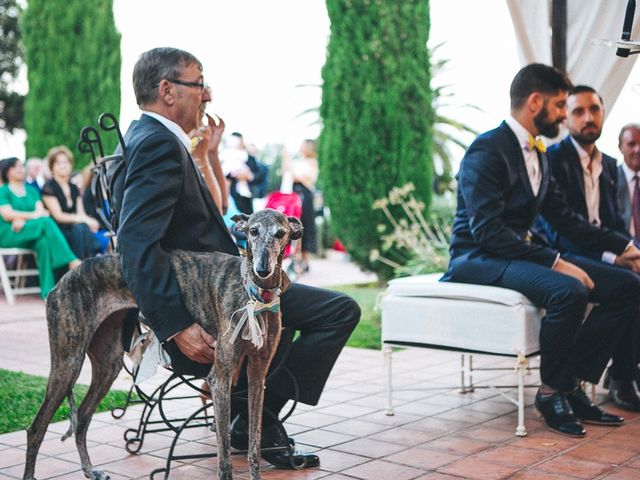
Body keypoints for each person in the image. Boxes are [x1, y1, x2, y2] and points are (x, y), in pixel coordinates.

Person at [114, 47, 360, 468]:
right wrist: (176, 326)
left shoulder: (157, 140)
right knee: (337, 312)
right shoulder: (157, 145)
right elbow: (136, 245)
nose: (208, 95)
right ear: (167, 90)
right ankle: (255, 417)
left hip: (235, 286)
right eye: (200, 83)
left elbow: (208, 215)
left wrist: (207, 153)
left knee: (329, 310)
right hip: (210, 306)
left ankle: (252, 414)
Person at [442, 63, 640, 437]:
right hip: (476, 259)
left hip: (512, 253)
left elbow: (564, 219)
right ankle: (551, 392)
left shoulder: (541, 154)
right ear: (536, 102)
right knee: (568, 289)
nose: (565, 114)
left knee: (627, 286)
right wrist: (555, 262)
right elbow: (486, 232)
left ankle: (570, 383)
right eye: (561, 105)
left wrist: (626, 247)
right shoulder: (487, 150)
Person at [536, 85, 640, 412]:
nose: (588, 117)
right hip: (561, 253)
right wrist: (618, 253)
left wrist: (629, 254)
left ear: (603, 113)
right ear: (565, 118)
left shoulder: (609, 165)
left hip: (598, 253)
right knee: (630, 286)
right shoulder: (552, 159)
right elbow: (562, 226)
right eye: (578, 111)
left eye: (594, 110)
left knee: (634, 277)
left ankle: (623, 375)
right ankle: (595, 376)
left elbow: (611, 221)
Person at [0, 157, 81, 298]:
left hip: (29, 230)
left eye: (21, 166)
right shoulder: (3, 191)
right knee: (46, 222)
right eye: (15, 167)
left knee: (43, 242)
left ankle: (48, 293)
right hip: (10, 233)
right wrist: (25, 217)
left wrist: (21, 218)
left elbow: (41, 212)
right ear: (6, 171)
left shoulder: (32, 191)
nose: (20, 169)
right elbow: (7, 215)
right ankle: (71, 261)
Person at [41, 146, 102, 260]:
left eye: (66, 162)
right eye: (59, 163)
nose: (63, 165)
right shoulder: (49, 187)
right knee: (81, 228)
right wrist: (83, 219)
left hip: (76, 228)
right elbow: (58, 216)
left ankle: (87, 264)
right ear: (52, 167)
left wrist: (88, 221)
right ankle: (87, 263)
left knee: (83, 228)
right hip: (58, 230)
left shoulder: (74, 188)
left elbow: (81, 213)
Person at [287, 139, 319, 273]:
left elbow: (310, 179)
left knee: (305, 224)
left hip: (304, 194)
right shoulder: (297, 161)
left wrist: (295, 174)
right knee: (294, 224)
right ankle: (295, 258)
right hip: (294, 193)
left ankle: (305, 260)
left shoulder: (312, 162)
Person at [220, 132, 267, 214]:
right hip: (229, 192)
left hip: (246, 196)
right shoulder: (223, 156)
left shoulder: (249, 158)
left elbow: (258, 175)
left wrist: (248, 175)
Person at [616, 123, 640, 240]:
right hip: (624, 251)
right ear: (620, 147)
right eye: (631, 144)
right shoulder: (610, 179)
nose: (638, 149)